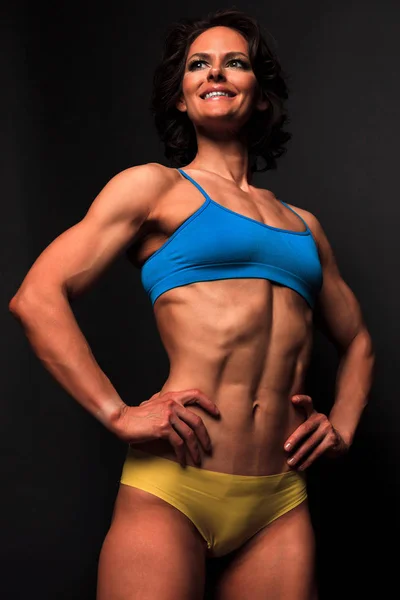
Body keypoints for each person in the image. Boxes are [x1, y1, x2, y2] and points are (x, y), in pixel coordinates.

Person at [9, 8, 374, 600]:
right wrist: (117, 413)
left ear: (259, 95)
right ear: (180, 96)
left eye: (236, 62)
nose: (216, 72)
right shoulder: (154, 188)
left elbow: (358, 341)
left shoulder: (304, 226)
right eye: (199, 63)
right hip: (173, 488)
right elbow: (36, 296)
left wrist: (346, 429)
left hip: (279, 500)